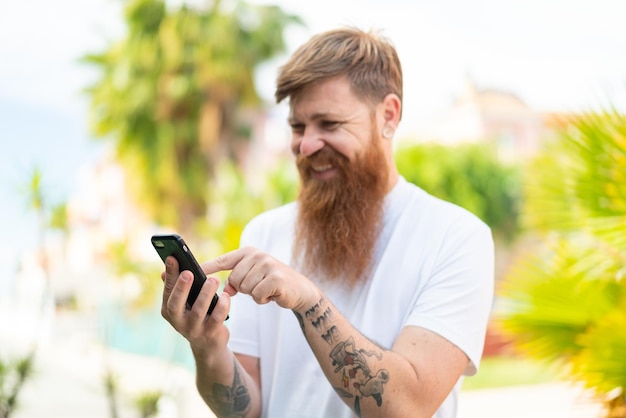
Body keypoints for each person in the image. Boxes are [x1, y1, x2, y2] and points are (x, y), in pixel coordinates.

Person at [160, 27, 494, 418]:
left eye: (329, 125)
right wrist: (208, 344)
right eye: (298, 127)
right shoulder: (264, 233)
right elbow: (243, 410)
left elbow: (409, 407)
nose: (306, 145)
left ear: (388, 115)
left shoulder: (456, 237)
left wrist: (308, 301)